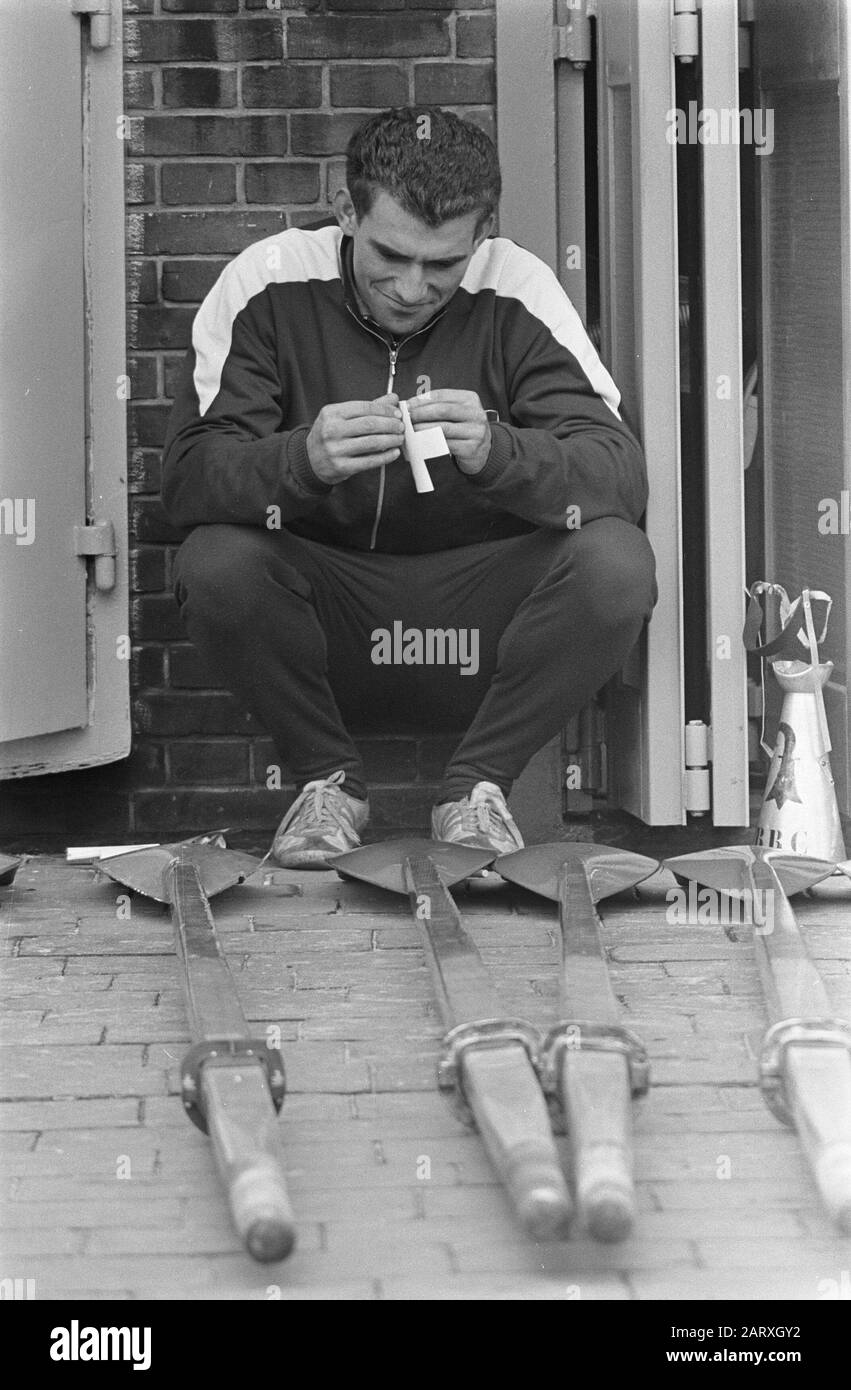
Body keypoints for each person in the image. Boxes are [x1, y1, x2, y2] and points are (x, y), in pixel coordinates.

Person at [162, 106, 656, 867]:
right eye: (389, 255)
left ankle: (476, 792)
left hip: (477, 603)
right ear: (344, 211)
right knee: (215, 559)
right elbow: (189, 479)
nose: (411, 287)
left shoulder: (517, 286)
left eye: (443, 265)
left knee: (617, 561)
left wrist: (500, 452)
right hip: (325, 601)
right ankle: (326, 783)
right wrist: (302, 461)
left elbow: (618, 475)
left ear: (482, 235)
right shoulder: (267, 279)